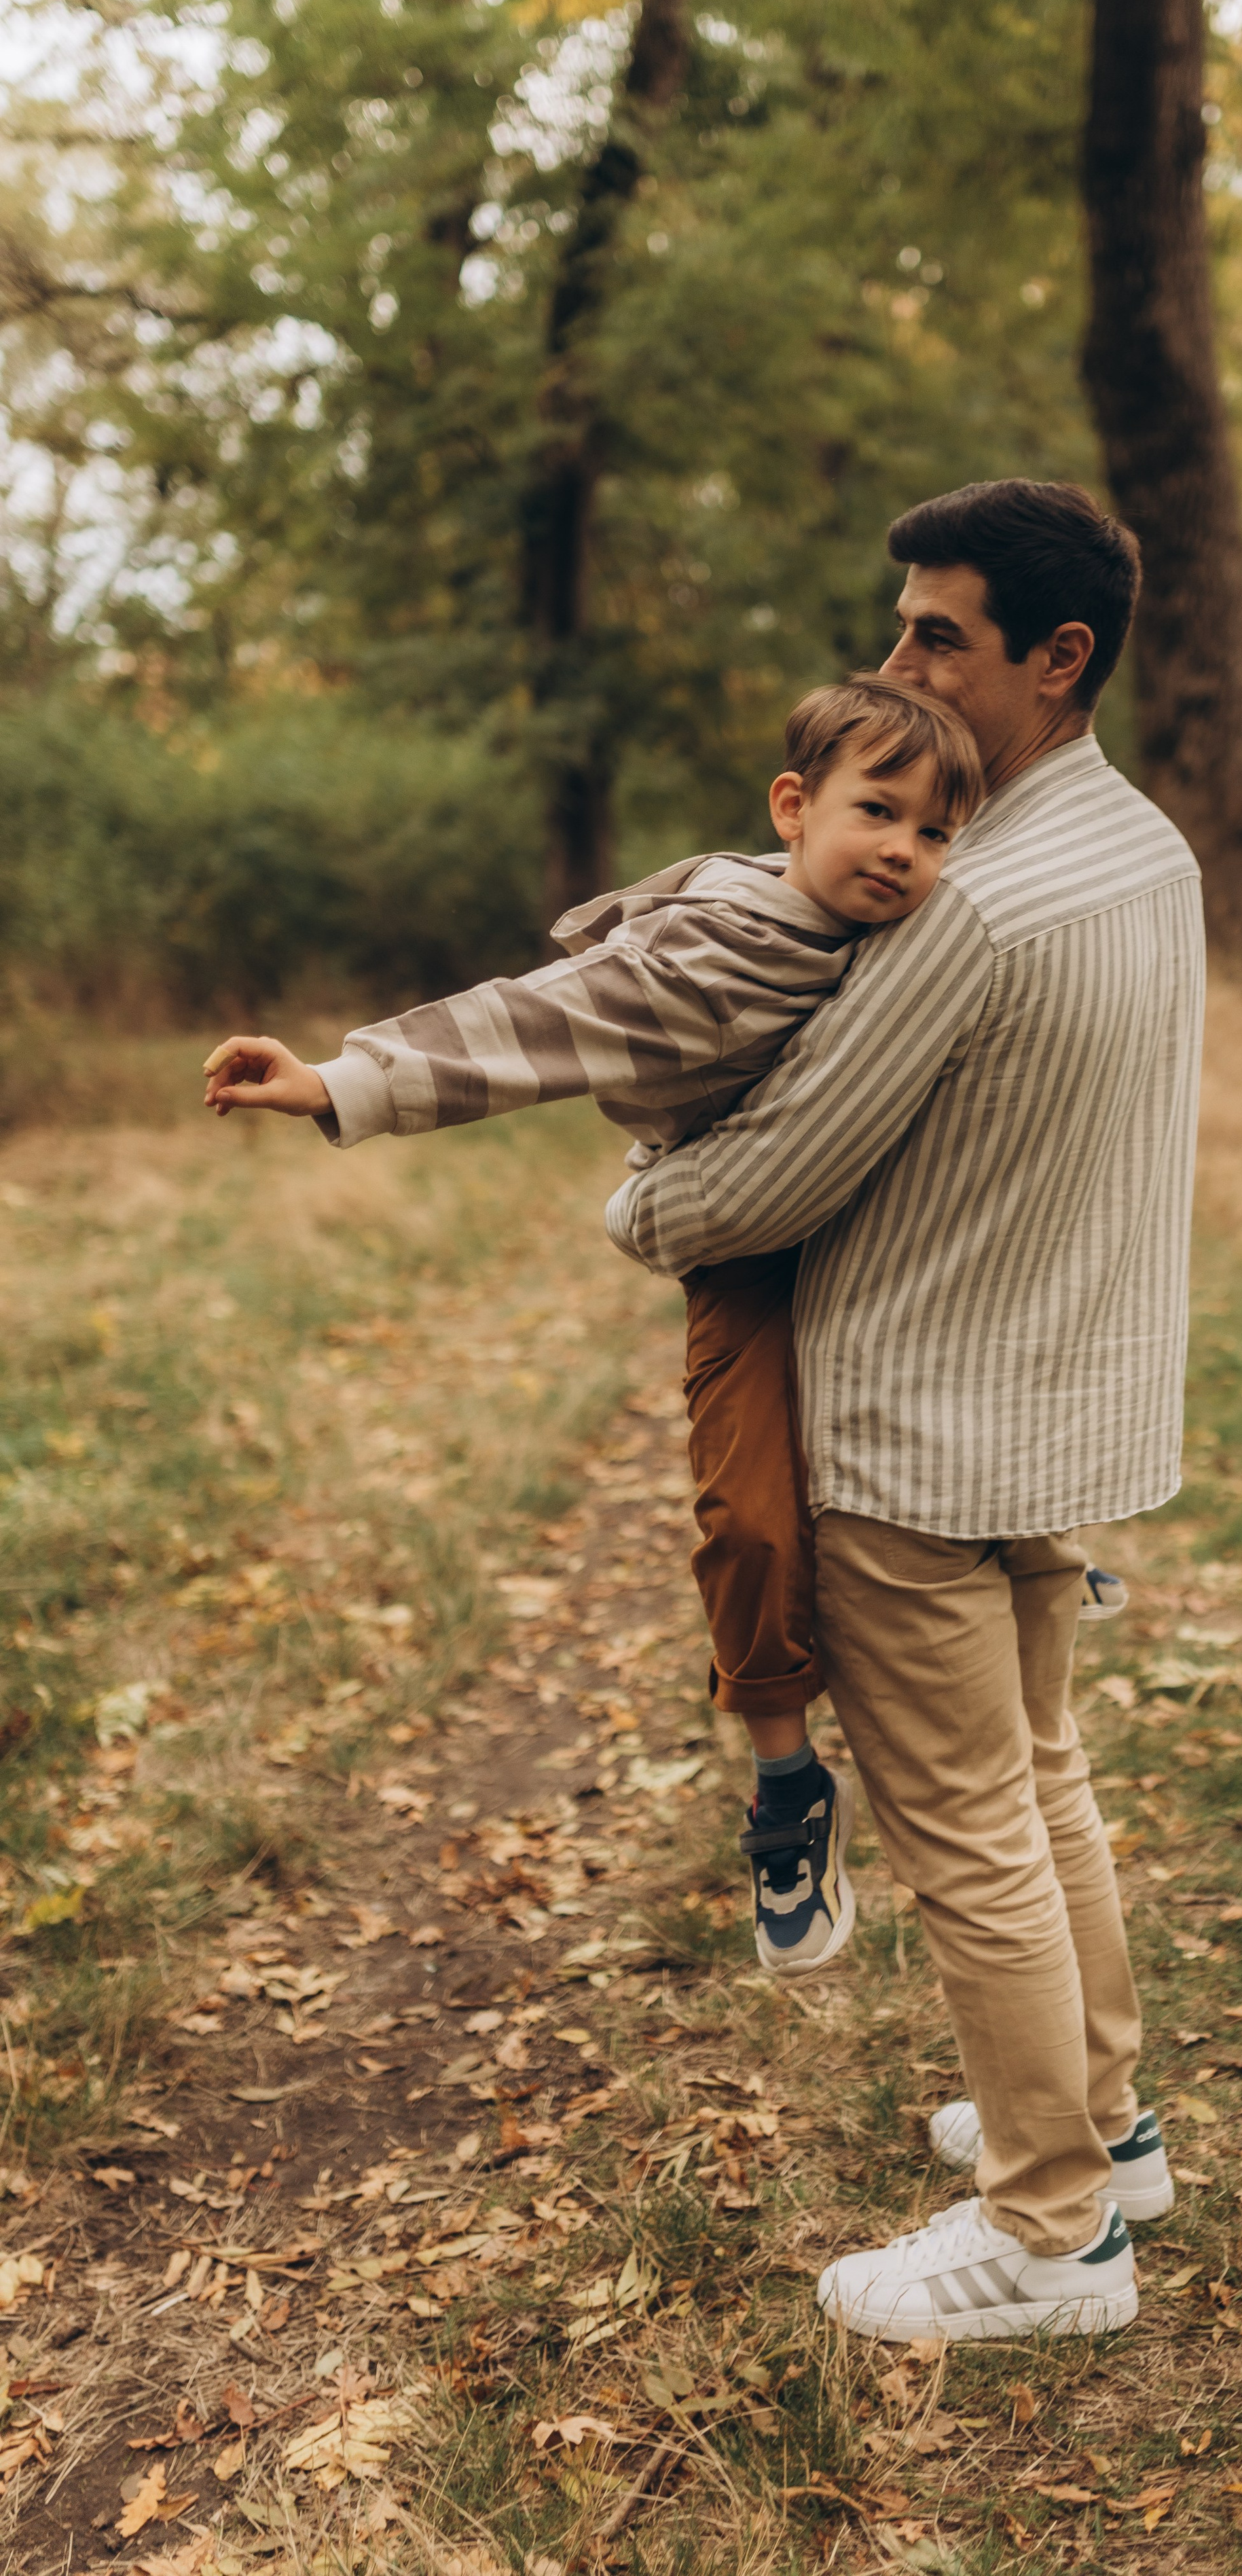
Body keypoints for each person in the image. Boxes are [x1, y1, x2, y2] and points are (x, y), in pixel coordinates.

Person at [606, 478, 1205, 2344]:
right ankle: (1105, 2130)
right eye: (901, 627)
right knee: (1043, 1787)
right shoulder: (1150, 856)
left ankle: (1047, 2238)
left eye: (938, 636)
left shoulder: (973, 910)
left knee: (969, 1837)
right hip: (1049, 1409)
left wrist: (638, 1196)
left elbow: (759, 1182)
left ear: (1060, 656)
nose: (897, 668)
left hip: (918, 1434)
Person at [200, 676, 983, 1976]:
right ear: (794, 808)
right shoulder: (703, 958)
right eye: (877, 813)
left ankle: (1037, 1555)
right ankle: (787, 1788)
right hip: (752, 1260)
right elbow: (530, 1023)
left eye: (936, 832)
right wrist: (340, 1079)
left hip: (898, 1240)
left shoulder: (933, 933)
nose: (904, 850)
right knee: (749, 1518)